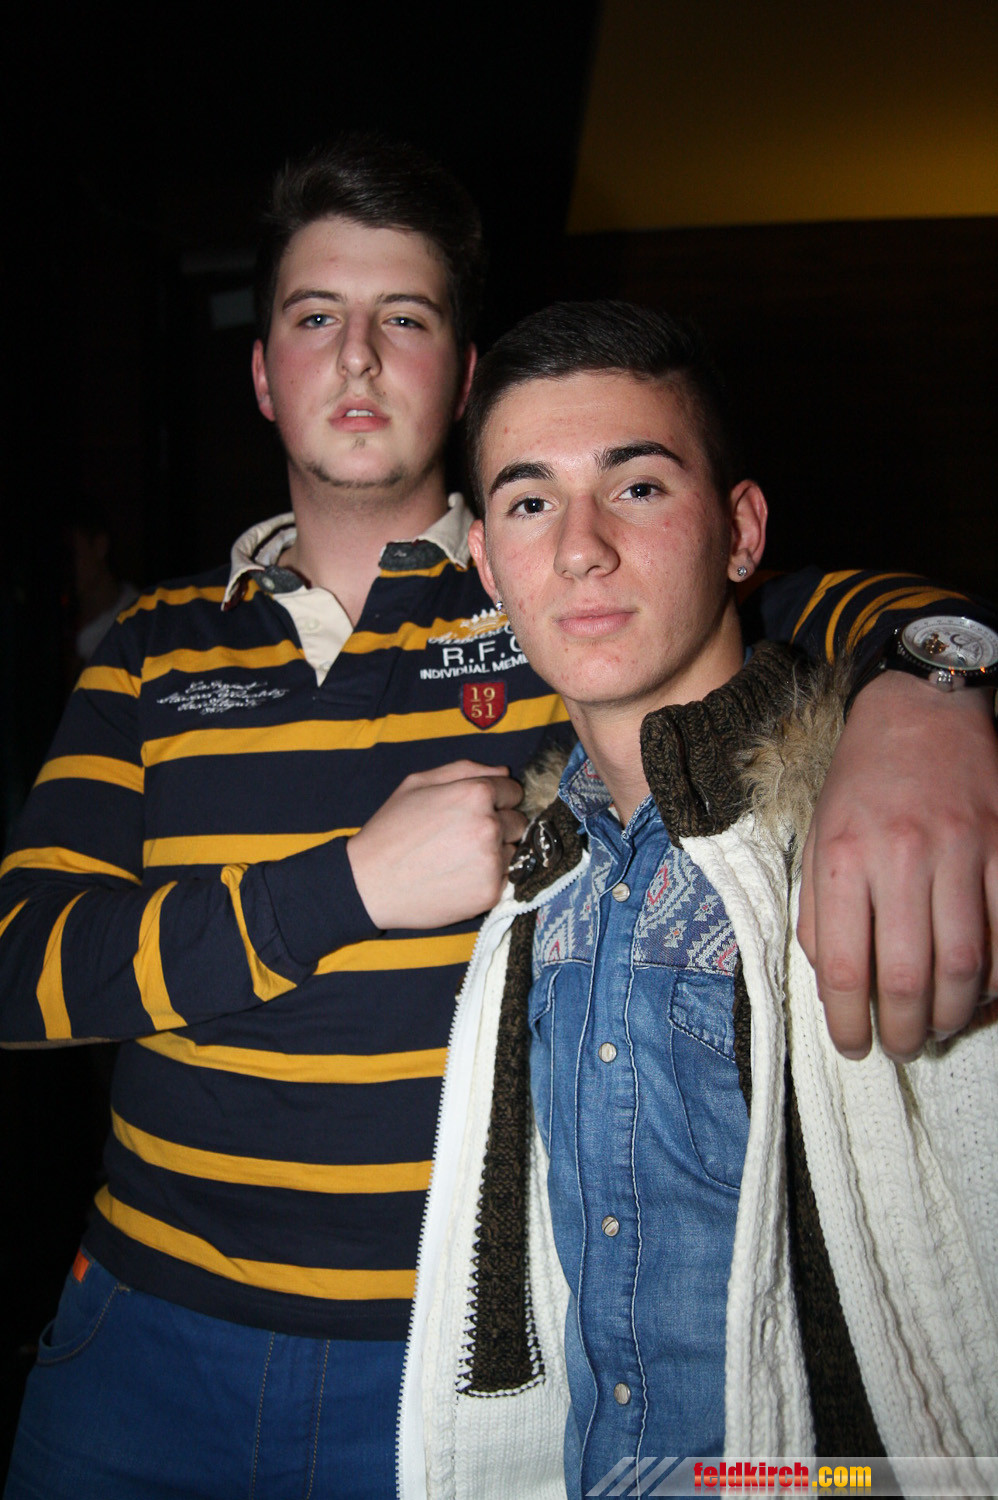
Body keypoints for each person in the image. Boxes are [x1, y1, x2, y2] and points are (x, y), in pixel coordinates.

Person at [0, 135, 994, 1498]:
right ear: (263, 371)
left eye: (403, 318)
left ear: (463, 375)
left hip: (458, 1359)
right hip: (143, 1334)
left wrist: (930, 691)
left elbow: (776, 590)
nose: (357, 359)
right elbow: (24, 968)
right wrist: (346, 887)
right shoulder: (149, 651)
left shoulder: (547, 585)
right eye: (314, 318)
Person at [408, 301, 998, 1498]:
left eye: (634, 487)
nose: (579, 548)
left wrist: (943, 683)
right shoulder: (539, 877)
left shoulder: (887, 832)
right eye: (529, 503)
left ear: (739, 533)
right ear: (487, 568)